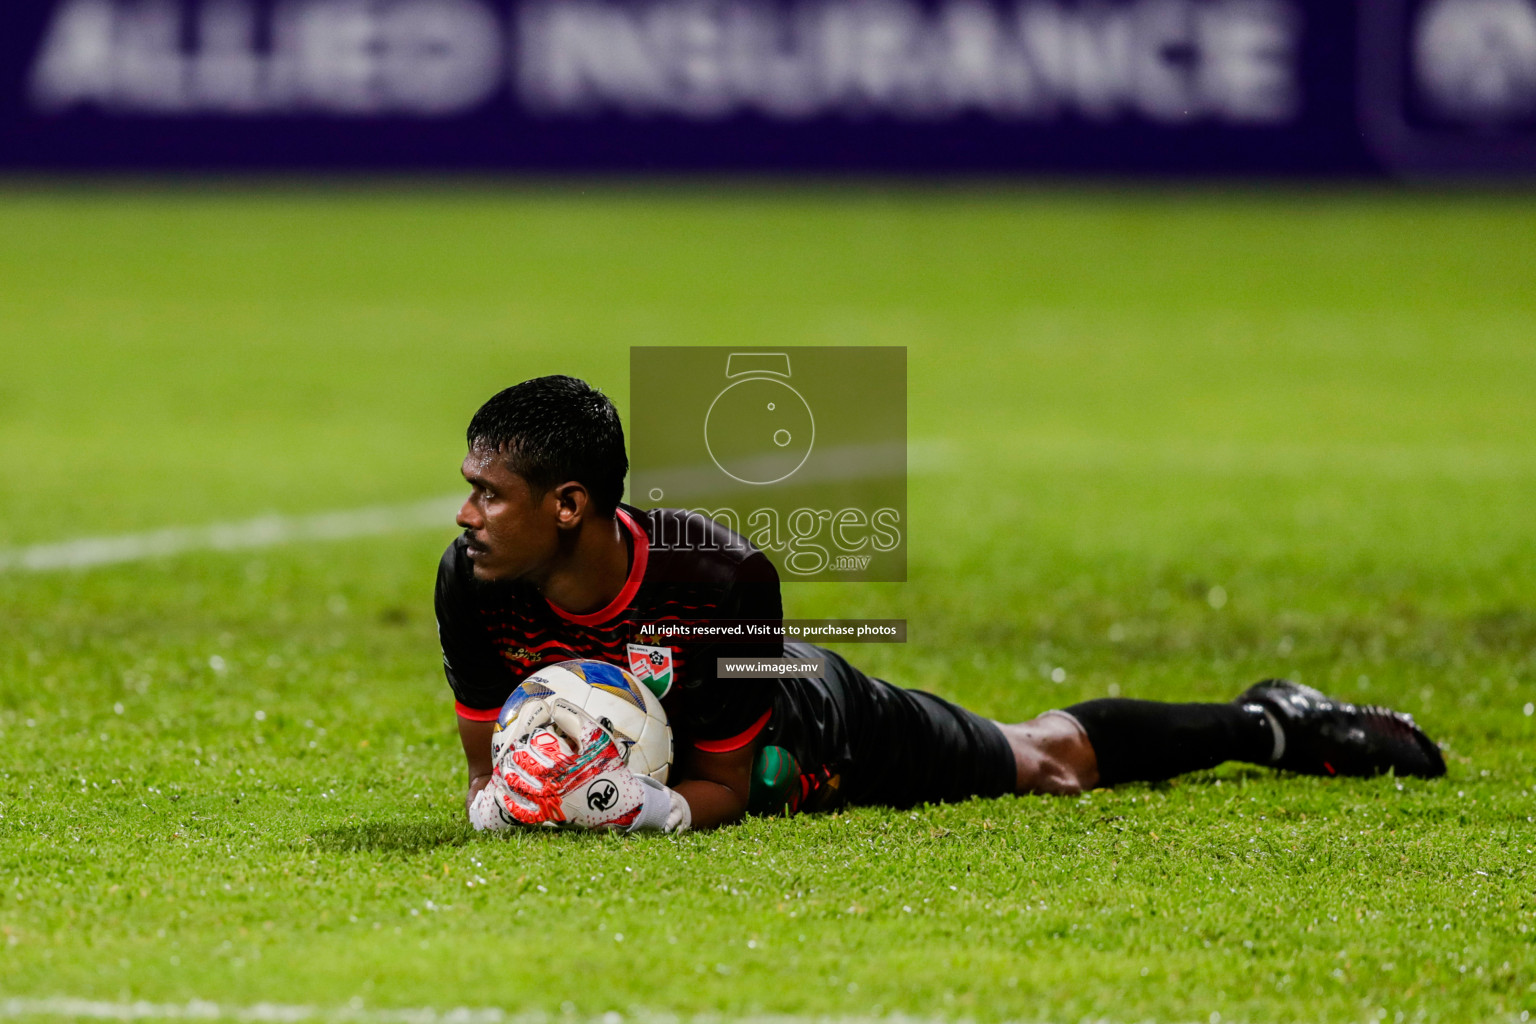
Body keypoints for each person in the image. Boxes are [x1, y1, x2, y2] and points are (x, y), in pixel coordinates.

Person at [436, 376, 1446, 834]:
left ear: (569, 505)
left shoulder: (717, 579)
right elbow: (490, 772)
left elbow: (727, 786)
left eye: (489, 493)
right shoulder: (470, 585)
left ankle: (1272, 724)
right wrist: (513, 802)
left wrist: (650, 811)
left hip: (808, 718)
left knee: (1046, 764)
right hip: (675, 744)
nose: (466, 514)